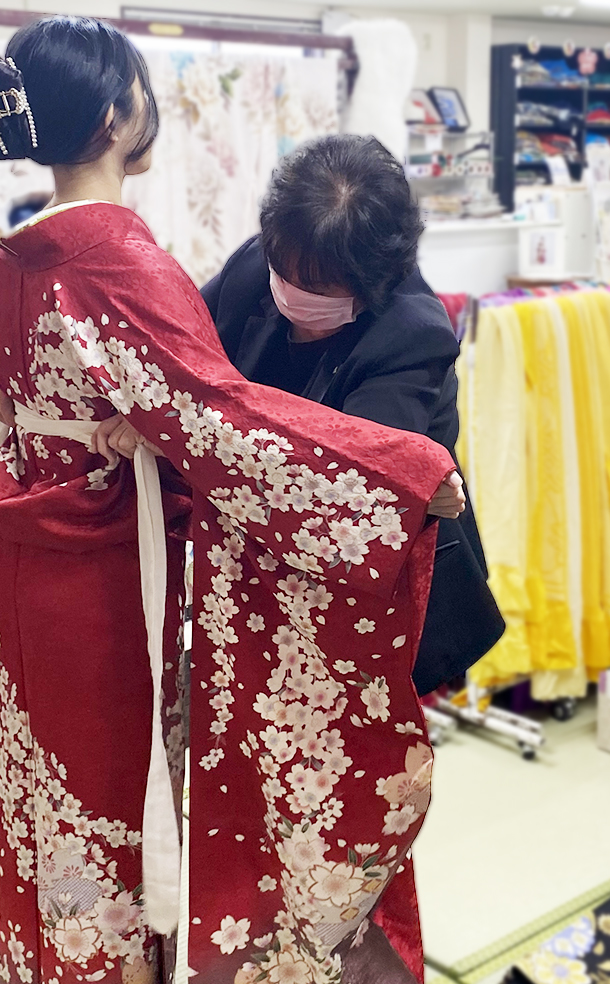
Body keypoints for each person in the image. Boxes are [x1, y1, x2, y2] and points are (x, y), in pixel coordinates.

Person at [0, 17, 464, 984]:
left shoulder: (14, 257)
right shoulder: (120, 259)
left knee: (48, 807)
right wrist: (407, 472)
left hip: (27, 569)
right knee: (112, 812)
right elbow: (215, 416)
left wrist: (73, 450)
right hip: (106, 585)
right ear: (114, 116)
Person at [202, 135, 504, 700]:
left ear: (374, 280)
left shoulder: (413, 335)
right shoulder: (262, 261)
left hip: (370, 585)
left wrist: (197, 427)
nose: (291, 293)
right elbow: (184, 349)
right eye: (284, 272)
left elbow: (341, 479)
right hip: (265, 560)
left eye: (316, 287)